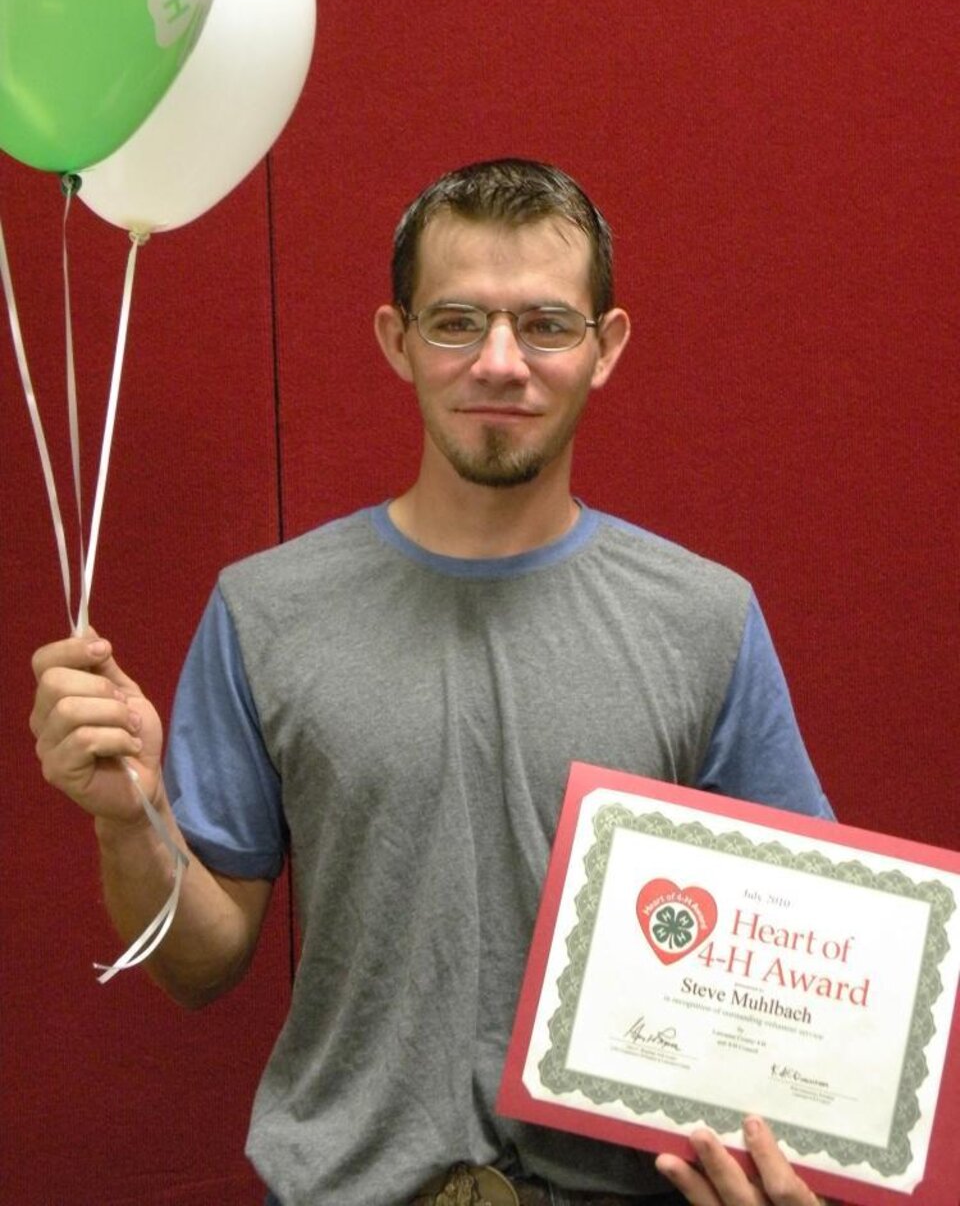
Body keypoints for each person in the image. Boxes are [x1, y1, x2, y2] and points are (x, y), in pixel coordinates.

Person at [31, 159, 834, 1206]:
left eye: (547, 323)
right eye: (457, 321)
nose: (501, 362)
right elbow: (199, 962)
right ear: (397, 340)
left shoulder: (705, 618)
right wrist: (126, 816)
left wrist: (802, 1163)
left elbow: (814, 970)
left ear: (606, 347)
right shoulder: (265, 610)